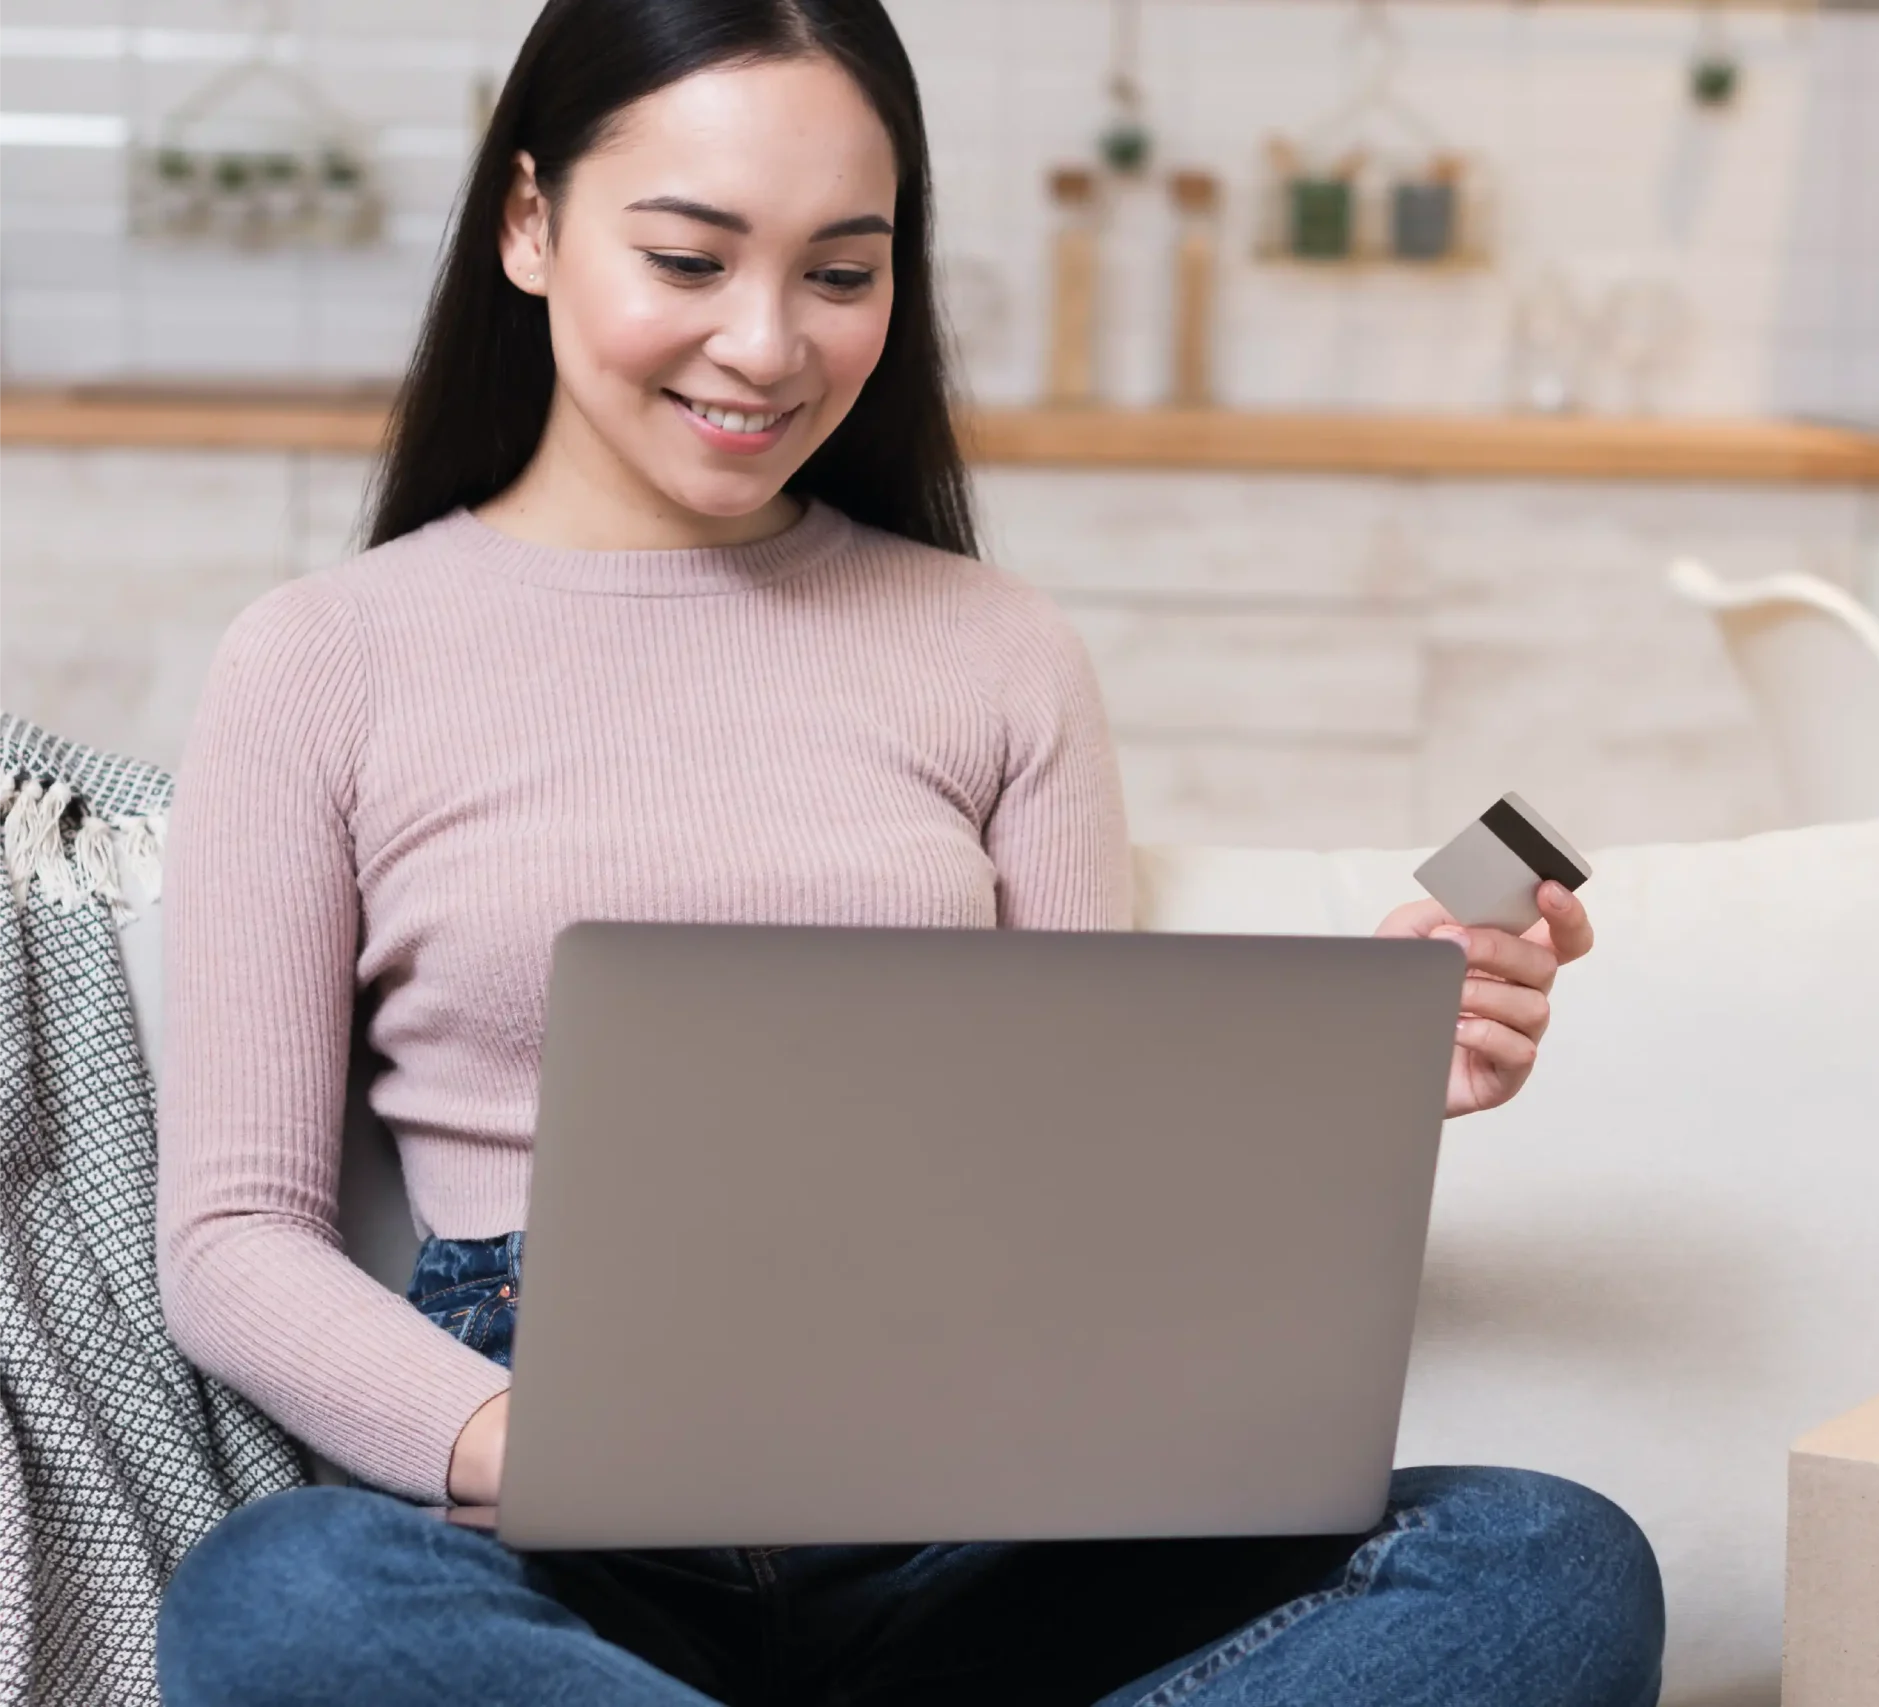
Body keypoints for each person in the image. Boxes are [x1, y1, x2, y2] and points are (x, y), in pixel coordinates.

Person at [151, 3, 1665, 1702]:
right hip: (568, 1522)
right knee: (281, 1597)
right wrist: (530, 1438)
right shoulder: (322, 657)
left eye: (841, 273)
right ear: (528, 224)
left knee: (1547, 1558)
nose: (767, 344)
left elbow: (1083, 1185)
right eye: (690, 258)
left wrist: (1357, 1078)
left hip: (978, 1515)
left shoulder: (996, 652)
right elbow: (234, 1233)